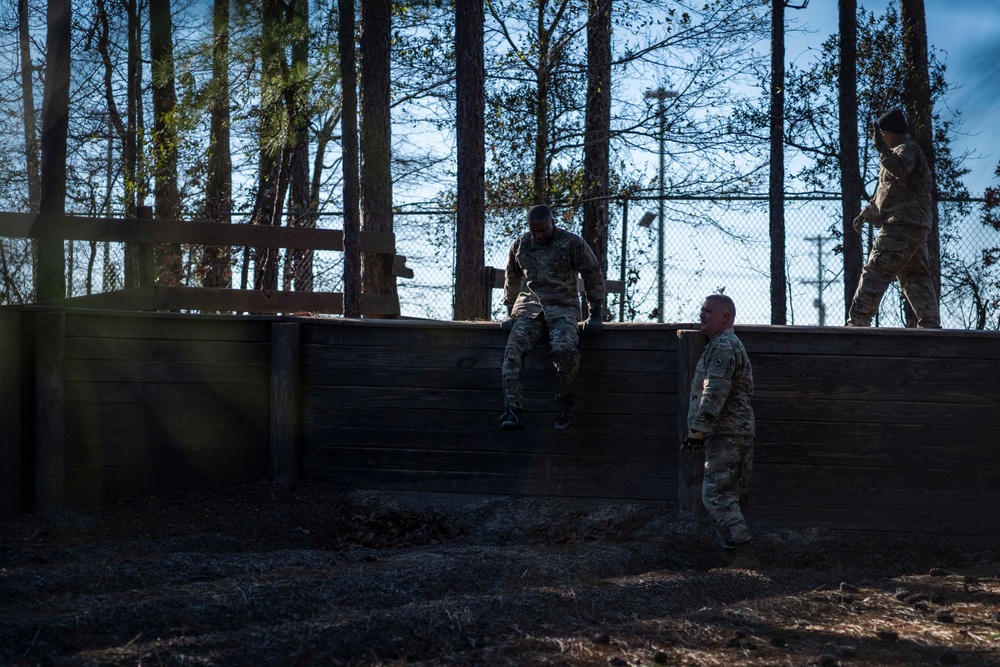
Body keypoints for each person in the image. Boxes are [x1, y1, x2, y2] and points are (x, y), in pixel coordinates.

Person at [499, 204, 606, 431]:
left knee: (564, 351)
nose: (539, 235)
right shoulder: (520, 245)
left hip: (562, 308)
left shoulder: (571, 243)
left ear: (552, 223)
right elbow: (512, 278)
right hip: (529, 310)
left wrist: (595, 312)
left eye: (543, 230)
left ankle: (565, 403)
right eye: (534, 231)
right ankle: (513, 410)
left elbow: (592, 272)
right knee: (512, 351)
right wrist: (510, 312)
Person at [848, 107, 940, 328]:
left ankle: (858, 322)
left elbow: (900, 169)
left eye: (880, 135)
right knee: (914, 276)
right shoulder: (900, 151)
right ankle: (930, 324)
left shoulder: (906, 150)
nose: (878, 140)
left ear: (887, 132)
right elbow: (887, 191)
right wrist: (867, 213)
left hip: (901, 225)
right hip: (913, 225)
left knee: (875, 271)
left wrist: (881, 148)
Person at [684, 294, 757, 568]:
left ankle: (744, 553)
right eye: (702, 310)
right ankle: (735, 560)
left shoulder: (723, 347)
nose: (702, 315)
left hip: (726, 434)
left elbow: (714, 391)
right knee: (731, 495)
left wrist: (698, 431)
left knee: (715, 495)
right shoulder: (724, 345)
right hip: (736, 433)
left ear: (725, 317)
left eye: (709, 311)